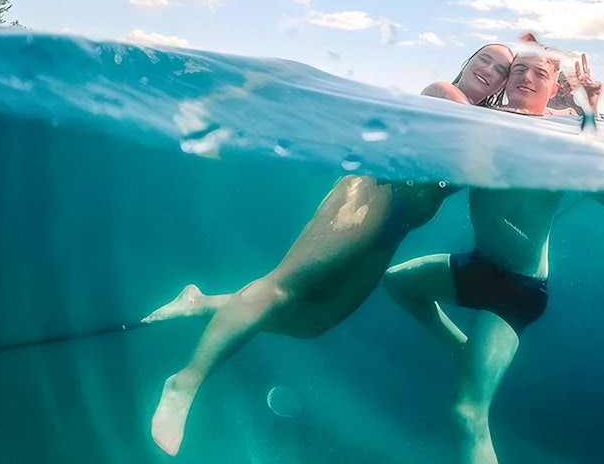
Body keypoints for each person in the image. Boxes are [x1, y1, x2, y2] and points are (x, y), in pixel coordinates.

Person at [145, 43, 514, 457]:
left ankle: (201, 303)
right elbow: (472, 134)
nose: (489, 70)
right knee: (281, 289)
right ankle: (184, 383)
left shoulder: (489, 120)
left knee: (312, 322)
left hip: (397, 227)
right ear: (468, 61)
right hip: (369, 196)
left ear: (504, 83)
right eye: (485, 58)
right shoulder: (446, 94)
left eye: (502, 69)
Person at [383, 47, 604, 464]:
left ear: (554, 86)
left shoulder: (565, 133)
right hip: (478, 266)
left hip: (517, 289)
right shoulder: (484, 122)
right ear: (504, 83)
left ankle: (473, 354)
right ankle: (466, 347)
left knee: (467, 412)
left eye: (538, 72)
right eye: (517, 70)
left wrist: (590, 116)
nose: (525, 77)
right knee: (397, 281)